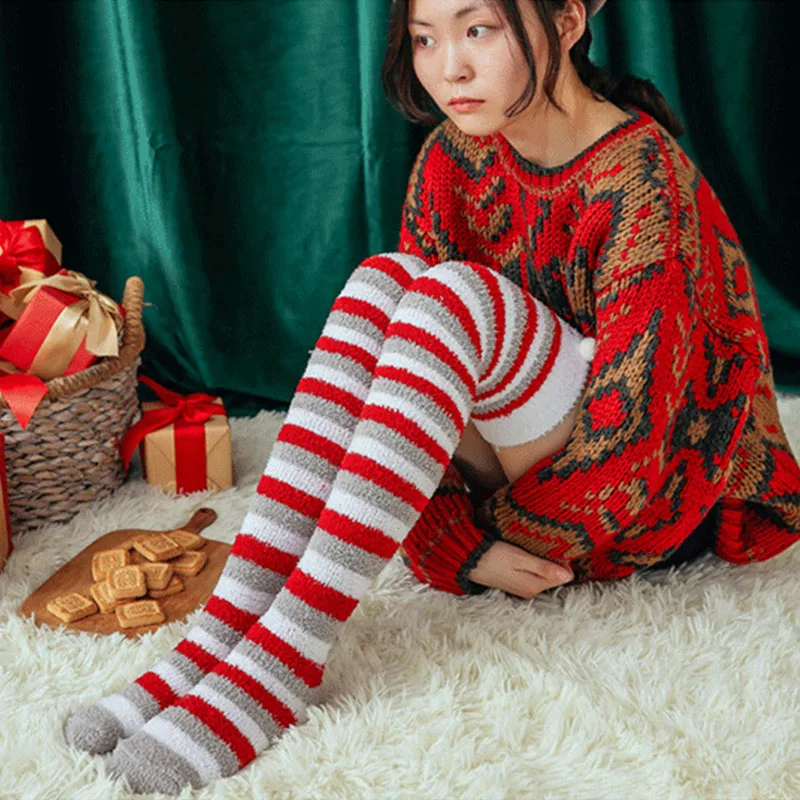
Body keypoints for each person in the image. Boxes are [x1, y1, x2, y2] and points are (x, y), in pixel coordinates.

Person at [62, 0, 800, 793]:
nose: (450, 67)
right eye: (424, 38)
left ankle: (283, 656)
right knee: (384, 283)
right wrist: (450, 538)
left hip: (646, 503)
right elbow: (410, 374)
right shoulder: (455, 154)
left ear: (567, 20)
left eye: (478, 29)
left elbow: (638, 445)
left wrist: (477, 547)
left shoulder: (642, 178)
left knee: (450, 296)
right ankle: (224, 631)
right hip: (517, 461)